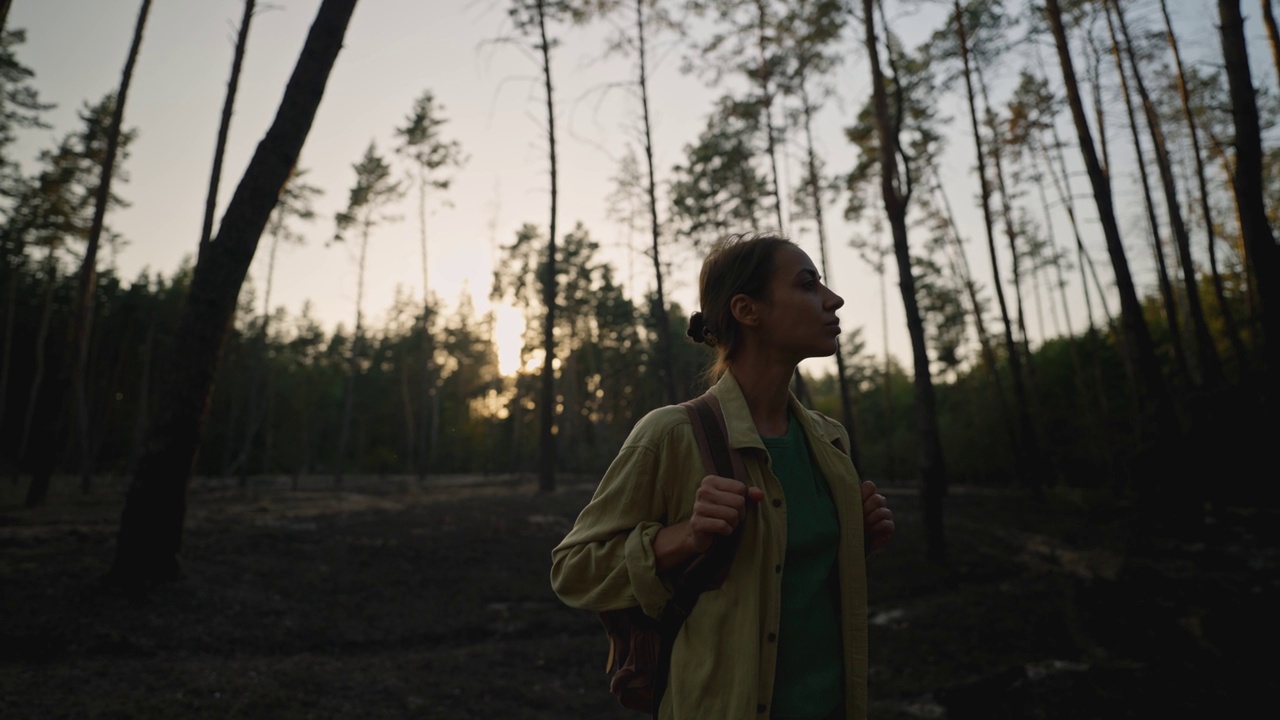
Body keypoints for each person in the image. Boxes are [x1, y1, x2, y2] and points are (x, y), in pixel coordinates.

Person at [550, 233, 895, 720]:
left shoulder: (829, 440)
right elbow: (573, 570)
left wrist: (853, 541)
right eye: (808, 284)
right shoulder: (671, 433)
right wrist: (682, 539)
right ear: (747, 310)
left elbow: (797, 586)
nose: (833, 299)